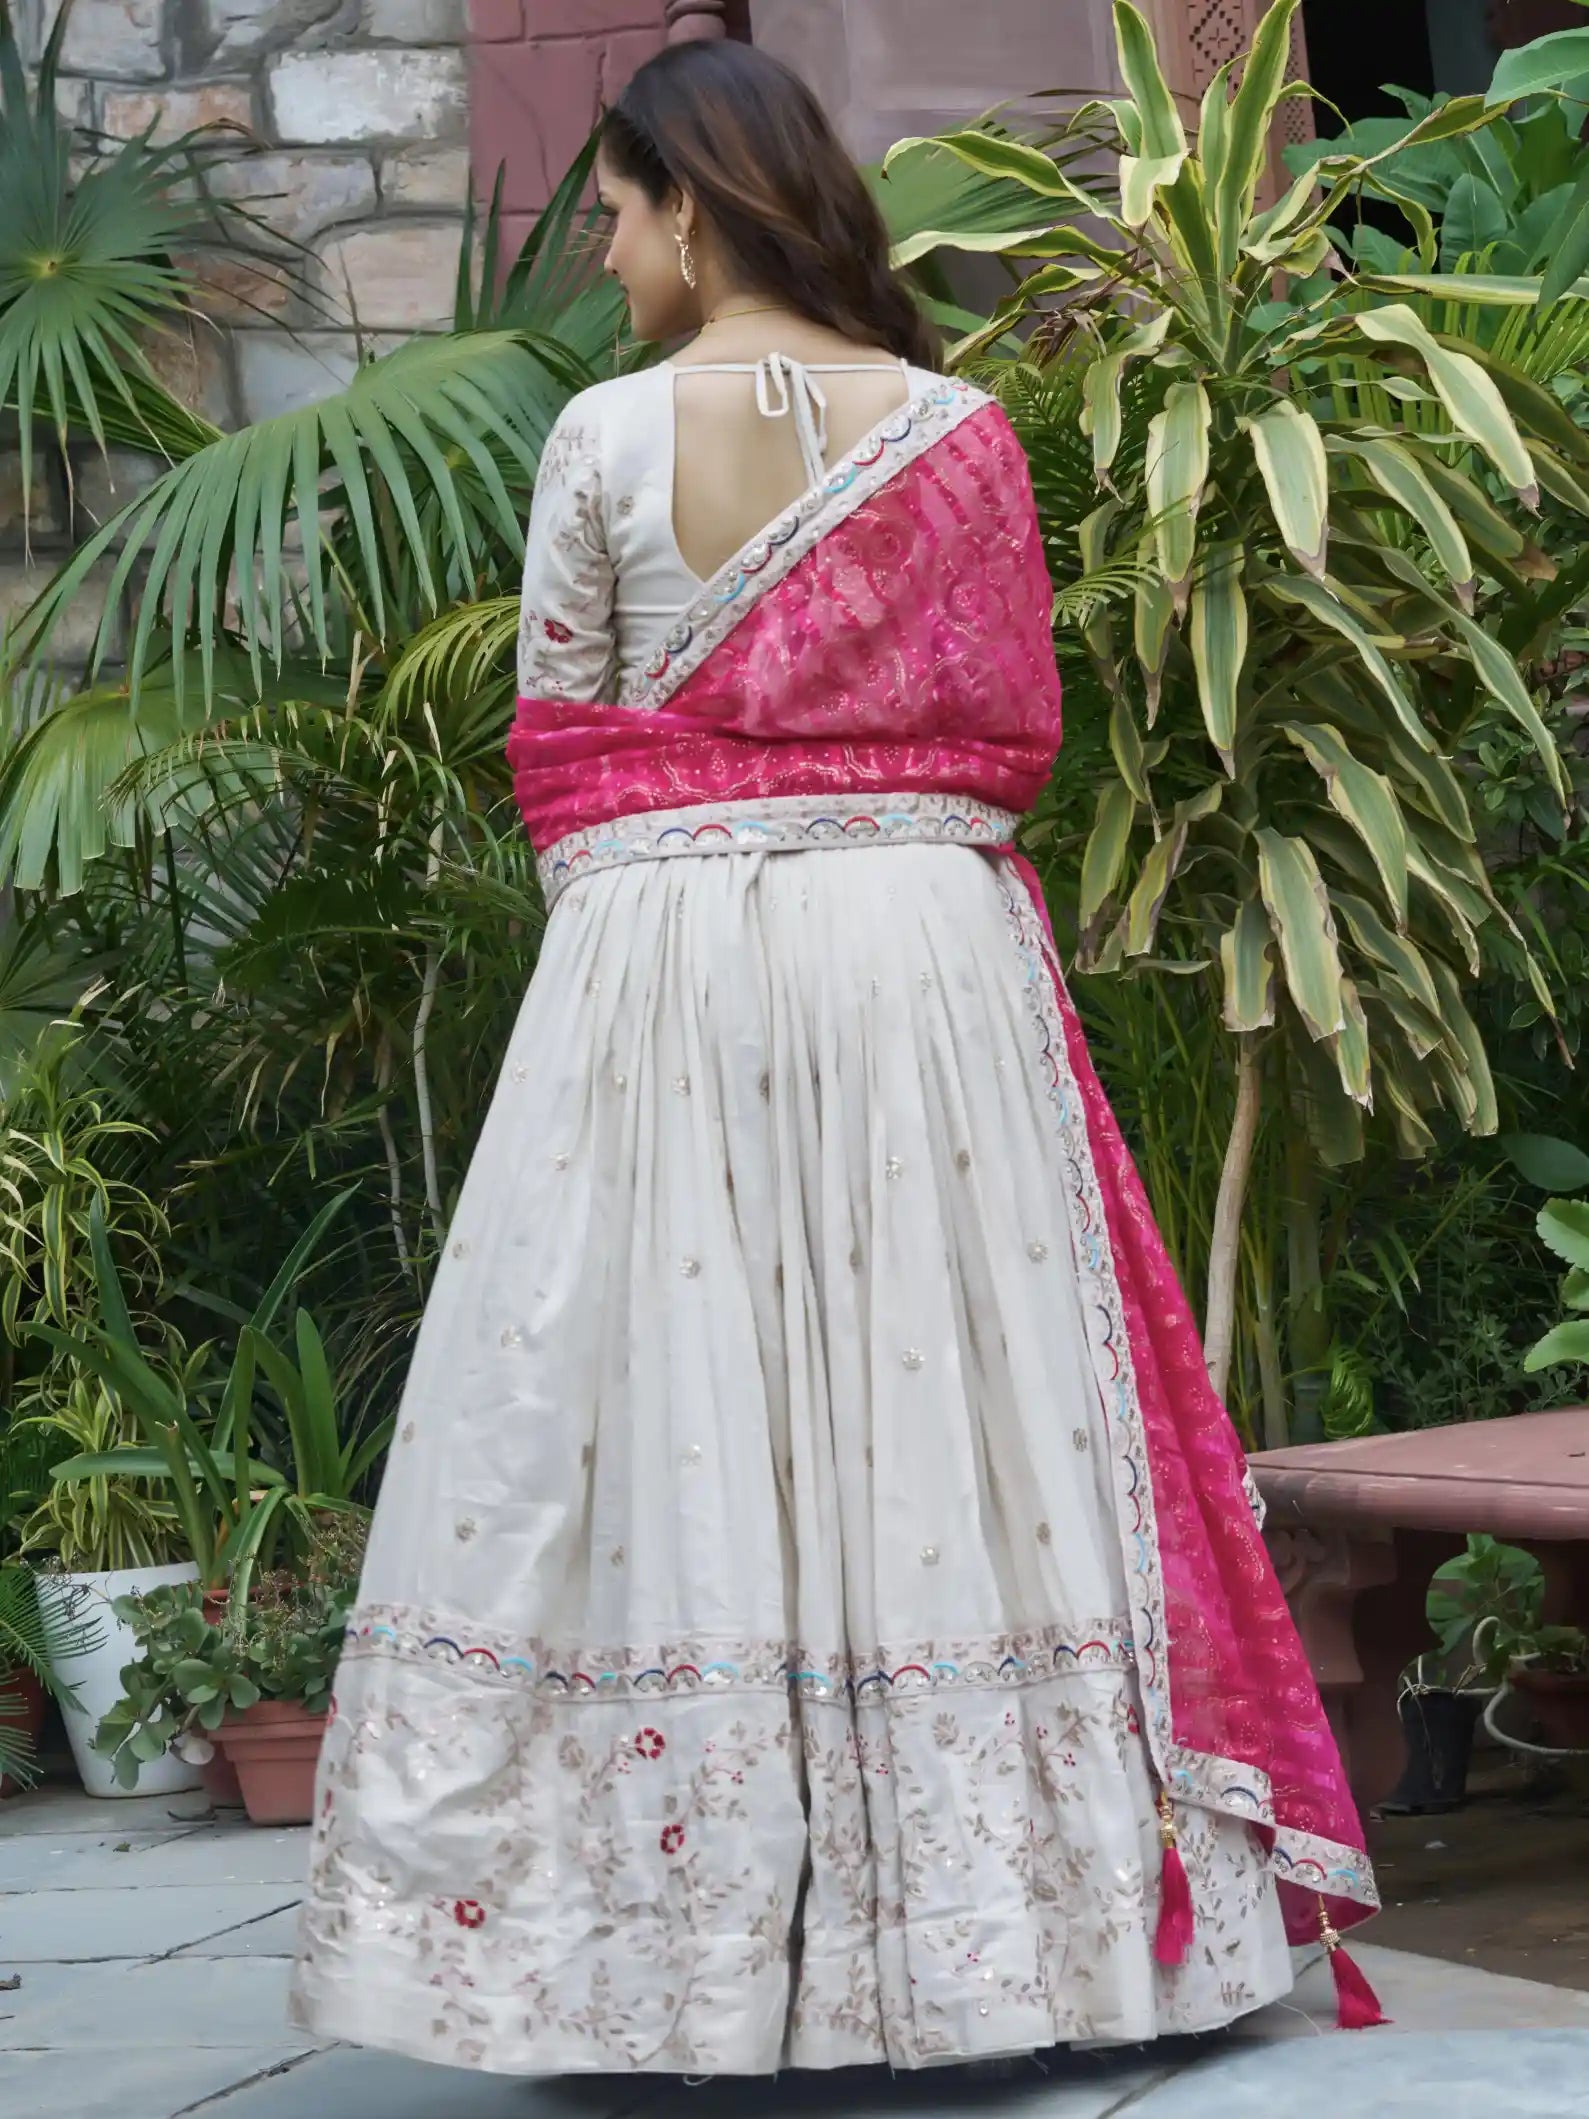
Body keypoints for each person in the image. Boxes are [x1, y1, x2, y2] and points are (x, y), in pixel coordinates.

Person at [289, 40, 1379, 2078]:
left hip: (664, 963)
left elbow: (566, 737)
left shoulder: (616, 438)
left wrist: (692, 847)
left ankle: (673, 1950)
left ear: (695, 204)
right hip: (918, 962)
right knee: (951, 1386)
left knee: (646, 1399)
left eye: (615, 216)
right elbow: (1012, 737)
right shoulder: (958, 433)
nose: (605, 256)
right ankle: (1013, 1945)